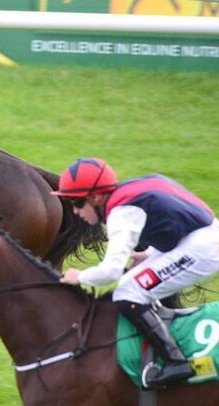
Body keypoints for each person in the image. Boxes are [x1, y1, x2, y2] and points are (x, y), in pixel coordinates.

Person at [53, 157, 219, 388]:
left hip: (202, 249)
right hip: (200, 238)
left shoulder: (122, 212)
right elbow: (175, 220)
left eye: (77, 202)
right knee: (133, 281)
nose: (75, 211)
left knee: (128, 293)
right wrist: (149, 254)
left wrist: (79, 277)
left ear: (96, 197)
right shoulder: (130, 192)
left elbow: (110, 272)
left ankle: (176, 362)